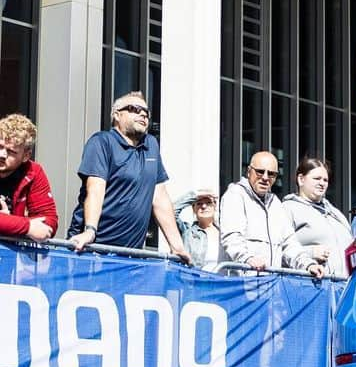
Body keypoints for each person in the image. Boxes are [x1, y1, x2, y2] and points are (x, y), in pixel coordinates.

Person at [66, 92, 191, 264]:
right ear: (117, 115)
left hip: (130, 257)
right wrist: (89, 231)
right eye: (134, 109)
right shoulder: (102, 142)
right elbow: (95, 189)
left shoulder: (151, 145)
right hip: (93, 250)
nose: (142, 114)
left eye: (146, 112)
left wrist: (177, 246)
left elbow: (159, 197)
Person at [219, 151, 322, 277]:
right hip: (240, 286)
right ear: (248, 171)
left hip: (269, 286)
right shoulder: (235, 195)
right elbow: (231, 237)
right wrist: (248, 258)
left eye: (272, 174)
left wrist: (308, 264)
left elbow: (290, 244)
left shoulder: (275, 203)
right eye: (260, 172)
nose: (265, 178)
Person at [283, 158, 353, 278]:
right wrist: (310, 252)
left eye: (325, 180)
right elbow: (278, 250)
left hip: (344, 285)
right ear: (301, 179)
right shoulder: (288, 209)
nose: (322, 183)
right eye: (316, 179)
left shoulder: (336, 213)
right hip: (310, 286)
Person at [0, 113, 57, 242]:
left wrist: (8, 223)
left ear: (26, 156)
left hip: (10, 256)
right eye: (0, 147)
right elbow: (34, 228)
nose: (2, 155)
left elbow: (49, 223)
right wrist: (26, 226)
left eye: (11, 151)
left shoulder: (33, 172)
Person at [174, 189, 225, 271]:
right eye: (199, 203)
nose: (204, 206)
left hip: (225, 281)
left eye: (208, 203)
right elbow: (171, 212)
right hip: (197, 281)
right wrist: (194, 195)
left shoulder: (225, 232)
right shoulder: (187, 232)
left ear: (215, 206)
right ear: (194, 209)